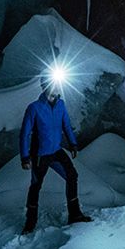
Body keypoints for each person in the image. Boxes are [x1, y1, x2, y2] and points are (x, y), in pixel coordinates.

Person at [19, 74, 92, 233]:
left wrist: (73, 143)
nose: (57, 88)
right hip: (39, 155)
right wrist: (25, 157)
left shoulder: (61, 104)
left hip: (56, 151)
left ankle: (75, 215)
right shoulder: (34, 108)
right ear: (45, 86)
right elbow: (24, 134)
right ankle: (30, 223)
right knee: (36, 186)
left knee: (72, 176)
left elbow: (66, 124)